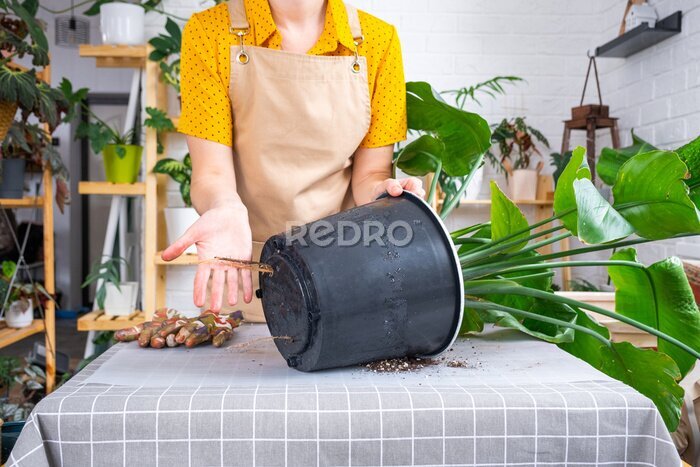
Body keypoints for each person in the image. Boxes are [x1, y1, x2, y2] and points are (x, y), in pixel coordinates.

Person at [160, 0, 424, 323]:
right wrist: (224, 207)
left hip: (342, 291)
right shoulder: (210, 34)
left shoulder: (378, 42)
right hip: (245, 288)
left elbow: (370, 173)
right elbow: (211, 172)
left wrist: (385, 194)